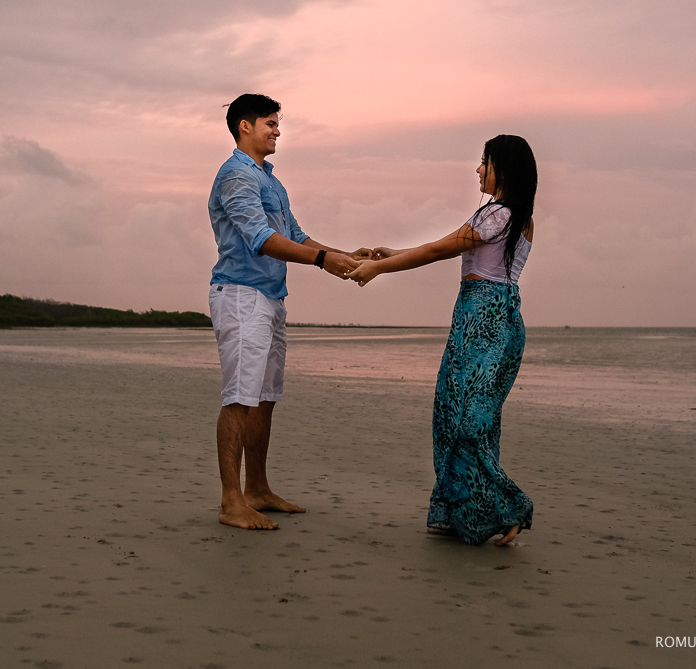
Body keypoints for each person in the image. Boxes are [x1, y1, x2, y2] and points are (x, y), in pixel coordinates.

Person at [348, 134, 537, 546]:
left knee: (470, 420)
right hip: (479, 319)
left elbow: (439, 250)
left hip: (486, 321)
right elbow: (443, 246)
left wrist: (380, 270)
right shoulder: (501, 214)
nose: (477, 169)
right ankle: (462, 512)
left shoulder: (499, 215)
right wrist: (389, 255)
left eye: (483, 162)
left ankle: (508, 507)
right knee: (452, 413)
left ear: (502, 167)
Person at [208, 93, 365, 531]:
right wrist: (320, 262)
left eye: (278, 123)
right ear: (245, 126)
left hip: (271, 297)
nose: (277, 130)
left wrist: (342, 254)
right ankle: (230, 501)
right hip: (240, 295)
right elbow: (260, 238)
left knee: (265, 398)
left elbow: (295, 234)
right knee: (239, 396)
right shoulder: (236, 176)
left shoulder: (271, 181)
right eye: (270, 123)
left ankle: (256, 489)